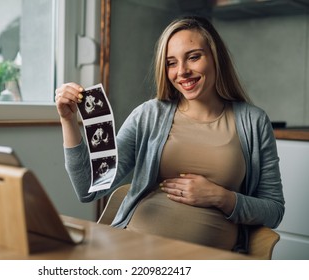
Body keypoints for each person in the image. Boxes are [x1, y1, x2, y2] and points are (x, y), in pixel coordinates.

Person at [55, 16, 284, 252]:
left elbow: (274, 210)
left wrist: (221, 197)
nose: (182, 71)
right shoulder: (148, 115)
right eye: (171, 63)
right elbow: (88, 189)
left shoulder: (253, 121)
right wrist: (68, 120)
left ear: (216, 58)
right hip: (132, 248)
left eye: (194, 57)